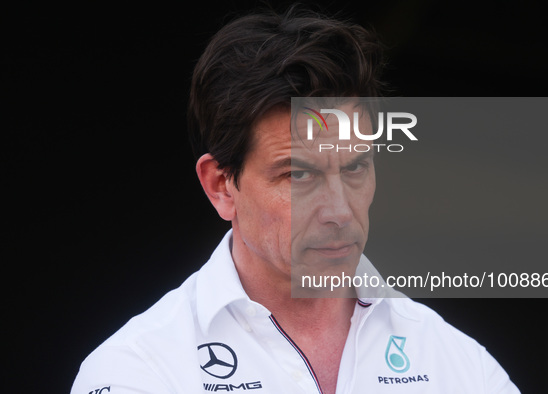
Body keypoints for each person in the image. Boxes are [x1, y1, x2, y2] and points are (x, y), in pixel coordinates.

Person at [71, 7, 520, 394]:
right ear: (221, 186)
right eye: (298, 175)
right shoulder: (139, 371)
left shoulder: (460, 367)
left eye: (356, 167)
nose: (340, 212)